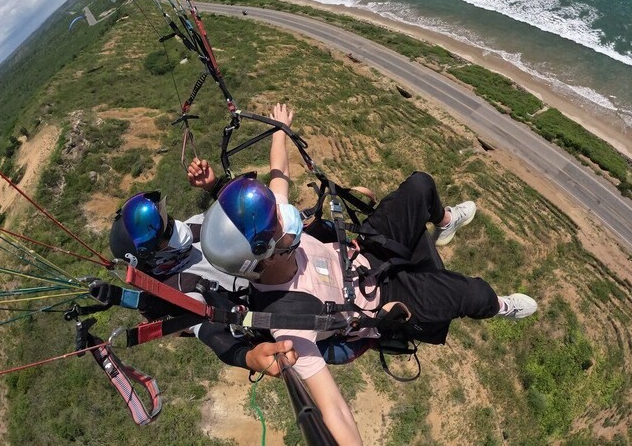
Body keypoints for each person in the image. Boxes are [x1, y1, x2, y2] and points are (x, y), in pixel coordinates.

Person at [200, 103, 537, 445]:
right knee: (472, 294)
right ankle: (500, 306)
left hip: (363, 251)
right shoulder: (289, 320)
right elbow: (333, 409)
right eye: (279, 226)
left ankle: (445, 220)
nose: (288, 217)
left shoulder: (271, 237)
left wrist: (278, 129)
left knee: (421, 185)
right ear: (264, 258)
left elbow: (278, 174)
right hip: (381, 299)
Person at [104, 188, 297, 375]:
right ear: (153, 258)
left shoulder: (194, 227)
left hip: (288, 259)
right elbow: (209, 332)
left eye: (168, 220)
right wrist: (247, 357)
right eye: (166, 233)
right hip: (282, 304)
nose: (176, 227)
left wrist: (214, 186)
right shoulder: (179, 292)